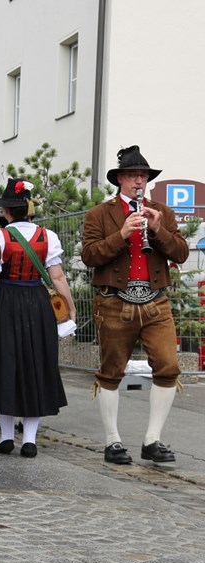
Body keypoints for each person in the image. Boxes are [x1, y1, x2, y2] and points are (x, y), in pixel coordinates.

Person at [81, 145, 189, 464]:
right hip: (115, 301)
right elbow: (89, 256)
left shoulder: (162, 212)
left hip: (156, 301)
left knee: (168, 367)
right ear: (120, 180)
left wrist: (156, 230)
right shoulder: (100, 214)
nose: (138, 181)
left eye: (143, 176)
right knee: (111, 372)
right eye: (132, 176)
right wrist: (122, 235)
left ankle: (152, 440)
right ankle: (113, 441)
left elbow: (180, 253)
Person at [0, 178, 76, 458]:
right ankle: (30, 440)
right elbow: (57, 277)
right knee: (36, 365)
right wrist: (70, 308)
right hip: (37, 304)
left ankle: (7, 436)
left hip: (5, 303)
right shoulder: (49, 237)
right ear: (31, 208)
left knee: (4, 363)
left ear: (7, 211)